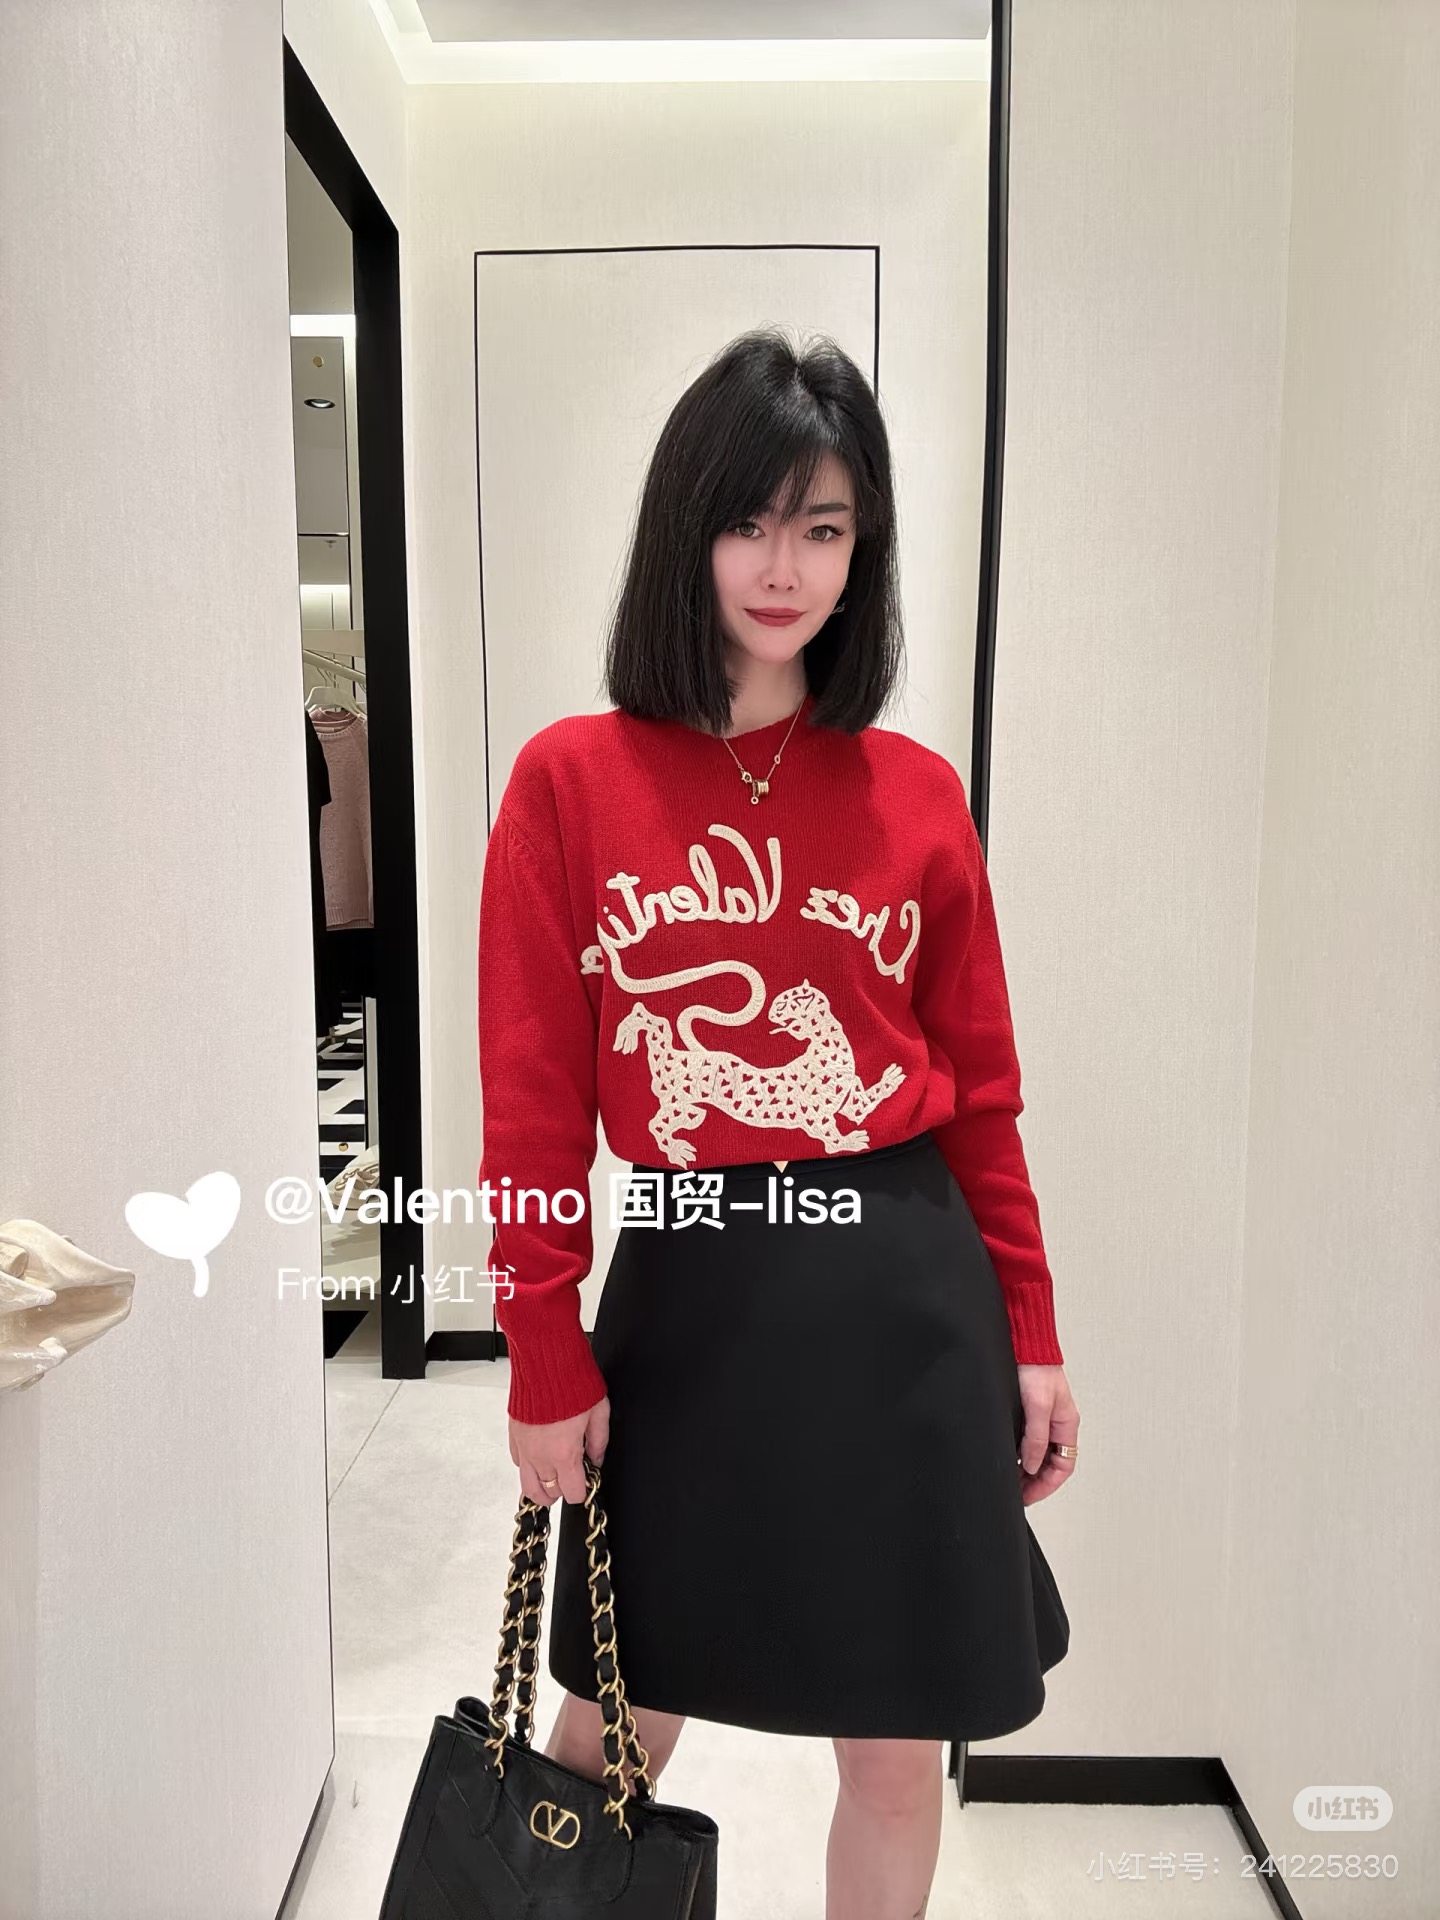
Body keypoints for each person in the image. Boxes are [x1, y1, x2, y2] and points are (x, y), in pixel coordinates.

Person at [475, 326, 1079, 1920]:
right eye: (748, 521)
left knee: (893, 1748)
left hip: (905, 1302)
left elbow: (983, 1096)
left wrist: (1030, 1330)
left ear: (863, 548)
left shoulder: (915, 794)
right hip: (689, 1294)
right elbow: (531, 1107)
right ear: (688, 530)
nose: (783, 566)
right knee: (616, 1716)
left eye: (824, 526)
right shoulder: (570, 782)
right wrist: (542, 1350)